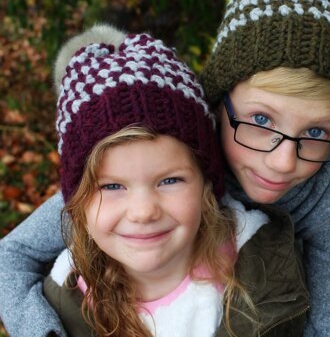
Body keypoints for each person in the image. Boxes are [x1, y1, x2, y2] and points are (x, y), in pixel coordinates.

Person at [0, 0, 330, 336]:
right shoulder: (172, 140)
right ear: (218, 98)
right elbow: (14, 253)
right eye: (261, 120)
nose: (281, 162)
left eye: (316, 131)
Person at [1, 25, 308, 337]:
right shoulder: (66, 301)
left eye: (170, 180)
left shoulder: (264, 271)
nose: (143, 211)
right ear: (76, 201)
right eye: (111, 186)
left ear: (207, 182)